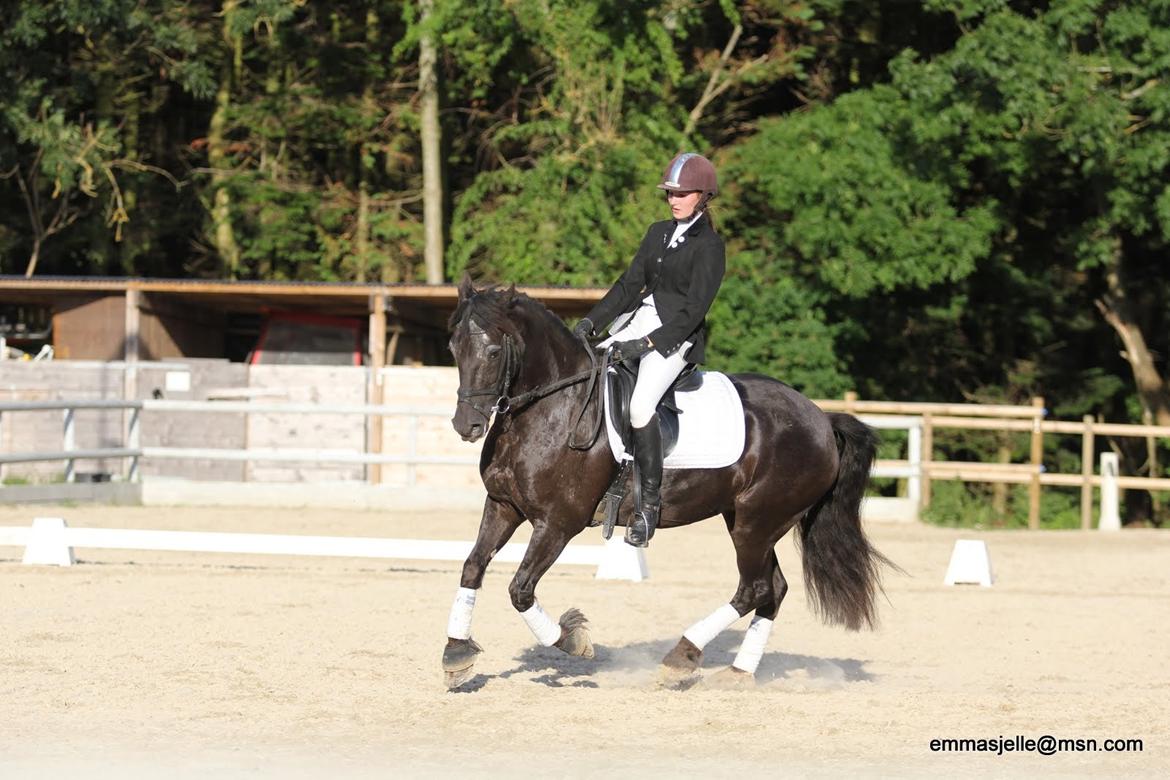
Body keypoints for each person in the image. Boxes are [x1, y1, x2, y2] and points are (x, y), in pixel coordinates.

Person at [573, 152, 726, 547]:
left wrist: (647, 344)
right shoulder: (658, 232)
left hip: (675, 338)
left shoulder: (710, 246)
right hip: (639, 320)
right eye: (670, 194)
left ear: (703, 196)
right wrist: (592, 323)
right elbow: (628, 286)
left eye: (683, 194)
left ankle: (648, 508)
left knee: (641, 407)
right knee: (585, 370)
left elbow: (695, 309)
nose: (674, 200)